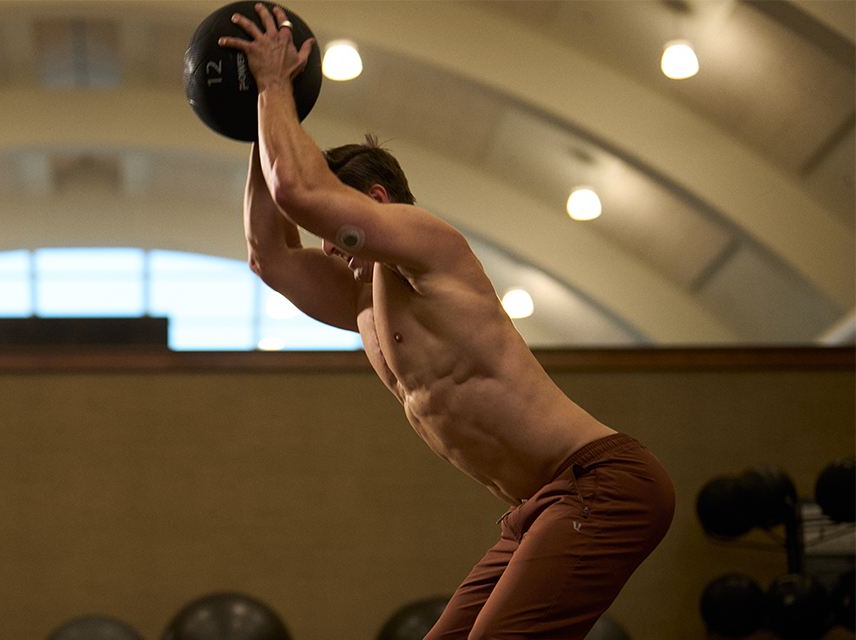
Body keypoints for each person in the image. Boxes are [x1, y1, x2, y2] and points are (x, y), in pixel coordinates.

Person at [219, 5, 676, 639]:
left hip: (601, 482)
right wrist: (255, 116)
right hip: (537, 507)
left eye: (334, 230)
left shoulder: (428, 250)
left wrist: (275, 85)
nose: (326, 247)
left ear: (376, 202)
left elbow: (299, 192)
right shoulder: (362, 300)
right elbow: (268, 255)